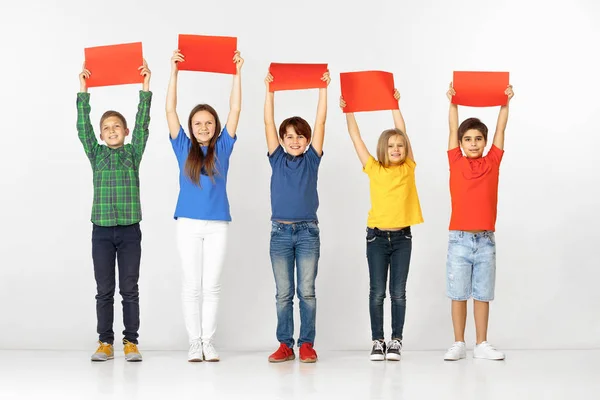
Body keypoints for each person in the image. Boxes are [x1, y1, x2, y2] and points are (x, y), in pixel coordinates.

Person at [166, 49, 243, 362]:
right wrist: (174, 72)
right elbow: (169, 110)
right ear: (191, 126)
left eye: (208, 122)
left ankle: (207, 342)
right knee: (192, 286)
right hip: (187, 224)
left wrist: (237, 72)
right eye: (197, 123)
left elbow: (235, 108)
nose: (203, 127)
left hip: (216, 225)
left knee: (211, 286)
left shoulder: (222, 148)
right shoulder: (183, 147)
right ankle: (193, 342)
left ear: (215, 126)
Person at [77, 59, 152, 362]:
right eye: (106, 128)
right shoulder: (96, 155)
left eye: (116, 126)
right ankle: (105, 342)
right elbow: (83, 127)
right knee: (104, 289)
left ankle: (130, 342)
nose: (111, 131)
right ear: (101, 134)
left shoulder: (133, 153)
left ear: (125, 130)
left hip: (130, 231)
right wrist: (83, 89)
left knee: (129, 289)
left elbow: (144, 122)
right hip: (102, 232)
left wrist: (145, 86)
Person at [340, 89, 423, 361]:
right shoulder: (374, 168)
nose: (396, 149)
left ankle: (396, 340)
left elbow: (403, 129)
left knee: (398, 292)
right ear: (382, 150)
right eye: (391, 146)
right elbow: (356, 137)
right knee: (377, 292)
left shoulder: (408, 167)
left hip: (402, 240)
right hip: (376, 239)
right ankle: (378, 341)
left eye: (400, 145)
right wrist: (349, 109)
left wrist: (394, 104)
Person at [443, 83, 514, 361]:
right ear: (460, 144)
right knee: (458, 294)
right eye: (468, 139)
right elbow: (451, 128)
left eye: (478, 139)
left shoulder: (493, 161)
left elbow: (501, 130)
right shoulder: (456, 161)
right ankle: (458, 342)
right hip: (459, 239)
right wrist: (453, 102)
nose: (473, 143)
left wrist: (505, 102)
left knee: (482, 294)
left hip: (485, 240)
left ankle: (481, 343)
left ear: (485, 142)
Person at [264, 70, 330, 363]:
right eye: (288, 136)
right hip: (279, 233)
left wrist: (323, 89)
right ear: (281, 139)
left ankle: (306, 344)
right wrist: (270, 90)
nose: (294, 140)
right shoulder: (277, 157)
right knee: (283, 294)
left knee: (307, 292)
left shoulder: (311, 159)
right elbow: (267, 120)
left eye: (299, 136)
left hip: (307, 233)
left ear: (307, 140)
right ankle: (285, 344)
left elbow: (321, 121)